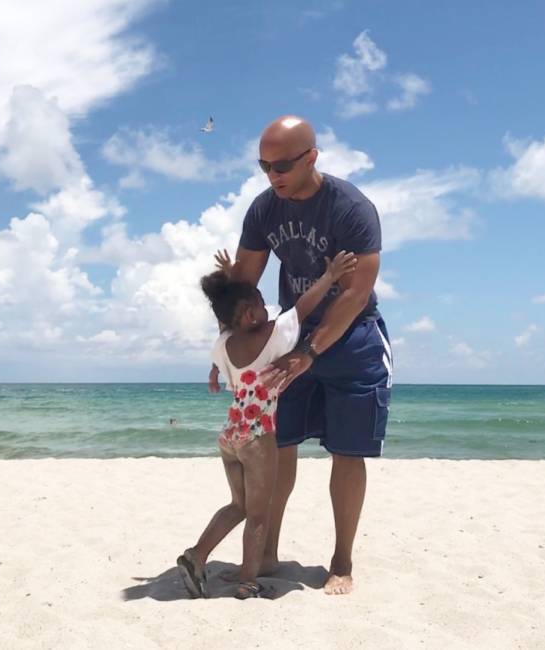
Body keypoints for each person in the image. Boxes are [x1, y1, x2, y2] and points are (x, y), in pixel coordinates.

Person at [211, 115, 393, 596]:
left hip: (352, 338)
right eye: (264, 166)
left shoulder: (351, 209)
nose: (273, 175)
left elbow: (354, 293)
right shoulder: (265, 209)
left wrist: (310, 352)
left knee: (348, 452)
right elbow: (243, 290)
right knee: (277, 445)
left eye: (283, 165)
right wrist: (225, 349)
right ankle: (267, 552)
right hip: (289, 336)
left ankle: (342, 560)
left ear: (311, 157)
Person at [177, 248, 357, 600]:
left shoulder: (223, 345)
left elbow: (226, 322)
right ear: (249, 314)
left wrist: (232, 282)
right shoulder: (273, 335)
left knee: (238, 506)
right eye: (260, 304)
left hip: (230, 435)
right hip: (258, 436)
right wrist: (330, 276)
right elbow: (303, 306)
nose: (267, 309)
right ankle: (248, 581)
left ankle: (196, 556)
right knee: (259, 514)